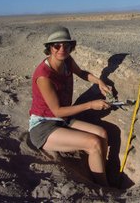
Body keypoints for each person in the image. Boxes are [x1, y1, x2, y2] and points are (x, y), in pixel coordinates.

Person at [29, 26, 112, 186]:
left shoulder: (66, 61)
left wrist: (99, 81)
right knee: (93, 142)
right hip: (44, 126)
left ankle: (102, 173)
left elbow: (82, 73)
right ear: (49, 48)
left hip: (63, 119)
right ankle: (105, 188)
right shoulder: (44, 76)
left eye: (66, 46)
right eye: (57, 46)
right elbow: (57, 110)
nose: (62, 49)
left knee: (102, 133)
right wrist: (90, 105)